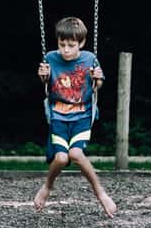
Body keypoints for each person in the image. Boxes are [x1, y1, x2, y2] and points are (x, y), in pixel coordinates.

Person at [33, 16, 116, 217]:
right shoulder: (51, 58)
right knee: (61, 158)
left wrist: (97, 79)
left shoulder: (89, 59)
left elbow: (99, 85)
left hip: (82, 117)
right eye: (62, 45)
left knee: (76, 154)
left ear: (81, 43)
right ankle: (47, 187)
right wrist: (43, 75)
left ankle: (100, 193)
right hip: (58, 118)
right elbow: (46, 82)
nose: (66, 50)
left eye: (71, 45)